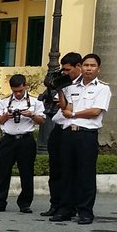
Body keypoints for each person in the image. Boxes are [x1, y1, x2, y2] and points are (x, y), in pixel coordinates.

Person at [52, 51, 110, 225]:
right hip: (69, 133)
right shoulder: (71, 87)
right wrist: (60, 90)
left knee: (85, 174)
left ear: (98, 69)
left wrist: (74, 113)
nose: (88, 69)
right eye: (86, 65)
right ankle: (65, 209)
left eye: (92, 66)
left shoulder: (102, 88)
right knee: (66, 172)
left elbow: (95, 111)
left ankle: (85, 211)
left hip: (86, 135)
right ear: (81, 67)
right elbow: (64, 107)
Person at [0, 74, 44, 213]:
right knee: (3, 171)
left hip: (26, 139)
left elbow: (42, 121)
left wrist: (30, 114)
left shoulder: (35, 101)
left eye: (20, 90)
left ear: (25, 86)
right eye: (15, 91)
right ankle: (0, 202)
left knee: (26, 171)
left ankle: (25, 203)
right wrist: (6, 116)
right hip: (8, 139)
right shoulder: (4, 102)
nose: (18, 93)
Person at [40, 52, 82, 218]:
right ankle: (55, 203)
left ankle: (70, 206)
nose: (65, 73)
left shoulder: (83, 85)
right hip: (59, 127)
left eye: (68, 69)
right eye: (63, 70)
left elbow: (69, 110)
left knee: (69, 170)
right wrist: (59, 87)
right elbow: (60, 105)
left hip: (73, 128)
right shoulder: (64, 83)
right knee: (55, 169)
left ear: (78, 66)